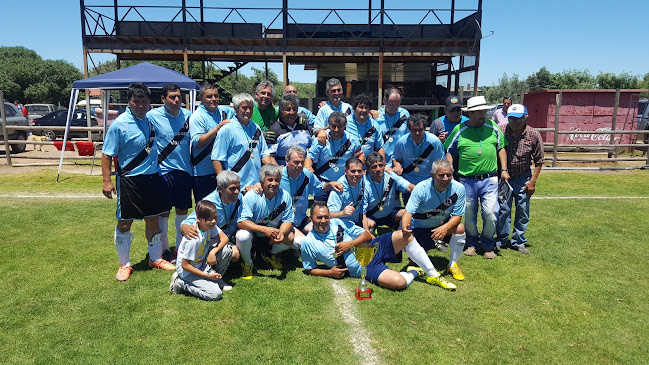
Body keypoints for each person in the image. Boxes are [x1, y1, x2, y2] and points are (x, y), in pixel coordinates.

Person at [101, 82, 174, 281]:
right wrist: (107, 181)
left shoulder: (150, 120)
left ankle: (156, 258)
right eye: (136, 101)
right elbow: (107, 154)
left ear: (150, 102)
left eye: (144, 101)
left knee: (153, 220)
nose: (141, 105)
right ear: (129, 101)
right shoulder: (119, 124)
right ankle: (125, 264)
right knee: (125, 223)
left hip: (152, 179)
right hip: (130, 181)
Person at [301, 202, 456, 291]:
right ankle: (415, 271)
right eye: (319, 217)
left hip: (374, 246)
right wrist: (330, 272)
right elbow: (309, 268)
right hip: (367, 267)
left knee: (405, 235)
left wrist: (350, 244)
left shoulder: (339, 222)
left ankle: (433, 274)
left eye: (326, 217)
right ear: (311, 218)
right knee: (399, 283)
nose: (323, 221)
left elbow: (368, 235)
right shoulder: (308, 242)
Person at [444, 95, 509, 259]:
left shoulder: (493, 126)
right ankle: (472, 243)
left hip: (490, 179)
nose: (483, 115)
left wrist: (504, 169)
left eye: (484, 111)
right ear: (471, 113)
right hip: (467, 181)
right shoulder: (459, 129)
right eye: (479, 112)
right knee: (468, 213)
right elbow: (449, 151)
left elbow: (501, 148)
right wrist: (449, 171)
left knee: (491, 213)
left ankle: (488, 244)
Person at [148, 83, 193, 261]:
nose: (176, 100)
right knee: (163, 213)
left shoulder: (189, 116)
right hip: (163, 171)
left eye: (179, 97)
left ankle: (180, 248)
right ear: (163, 99)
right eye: (172, 97)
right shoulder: (152, 116)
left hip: (185, 171)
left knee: (182, 212)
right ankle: (165, 249)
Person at [401, 159, 467, 280]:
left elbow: (458, 216)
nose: (446, 179)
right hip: (420, 228)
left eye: (449, 175)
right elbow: (408, 212)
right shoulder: (421, 188)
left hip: (442, 226)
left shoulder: (459, 188)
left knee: (460, 228)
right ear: (432, 175)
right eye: (441, 175)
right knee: (414, 263)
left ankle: (453, 264)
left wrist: (445, 228)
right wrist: (405, 227)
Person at [237, 164, 304, 278]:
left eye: (277, 180)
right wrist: (264, 230)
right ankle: (248, 263)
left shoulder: (285, 195)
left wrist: (281, 233)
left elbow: (288, 221)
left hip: (272, 236)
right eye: (270, 180)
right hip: (254, 234)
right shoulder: (251, 196)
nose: (274, 183)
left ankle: (268, 254)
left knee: (295, 239)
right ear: (262, 181)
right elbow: (241, 222)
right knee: (242, 236)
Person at [496, 104, 544, 254]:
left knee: (522, 210)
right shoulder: (501, 131)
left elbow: (539, 160)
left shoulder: (534, 135)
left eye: (518, 119)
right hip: (504, 177)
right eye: (511, 118)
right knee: (504, 209)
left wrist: (532, 182)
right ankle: (501, 239)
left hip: (523, 177)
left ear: (525, 118)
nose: (514, 122)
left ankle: (518, 240)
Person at [169, 200, 233, 301]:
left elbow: (224, 238)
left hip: (201, 264)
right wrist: (207, 275)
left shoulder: (209, 226)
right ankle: (180, 282)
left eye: (215, 217)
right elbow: (185, 265)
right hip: (187, 272)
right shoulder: (194, 239)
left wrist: (213, 252)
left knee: (227, 250)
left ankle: (215, 278)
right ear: (198, 219)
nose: (213, 221)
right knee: (216, 294)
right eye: (209, 219)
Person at [211, 93, 276, 192]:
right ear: (235, 109)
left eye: (250, 108)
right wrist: (224, 184)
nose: (248, 111)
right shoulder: (227, 129)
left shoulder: (256, 128)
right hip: (235, 187)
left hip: (256, 186)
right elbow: (216, 158)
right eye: (244, 108)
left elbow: (265, 154)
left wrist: (272, 173)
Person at [179, 170, 243, 268]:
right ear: (220, 188)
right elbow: (187, 223)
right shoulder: (210, 203)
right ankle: (209, 271)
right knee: (234, 253)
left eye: (238, 188)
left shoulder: (240, 197)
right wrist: (185, 227)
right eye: (232, 189)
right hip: (211, 240)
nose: (237, 192)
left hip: (226, 237)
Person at [188, 83, 234, 202]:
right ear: (201, 98)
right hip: (203, 172)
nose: (213, 99)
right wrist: (217, 129)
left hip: (222, 170)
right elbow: (197, 143)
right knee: (205, 211)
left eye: (216, 96)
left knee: (224, 207)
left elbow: (242, 110)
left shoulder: (224, 112)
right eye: (209, 96)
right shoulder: (197, 117)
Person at [281, 146, 343, 233]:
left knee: (327, 229)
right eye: (296, 162)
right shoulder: (278, 176)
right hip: (283, 222)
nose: (299, 165)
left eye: (302, 162)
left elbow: (319, 188)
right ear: (287, 161)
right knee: (299, 241)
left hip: (302, 220)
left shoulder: (306, 174)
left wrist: (331, 184)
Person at [305, 111, 363, 196]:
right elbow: (309, 158)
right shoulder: (321, 140)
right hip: (324, 183)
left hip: (344, 183)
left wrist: (357, 171)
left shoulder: (352, 140)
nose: (336, 129)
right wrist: (308, 167)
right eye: (333, 126)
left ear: (345, 126)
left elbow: (360, 155)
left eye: (340, 126)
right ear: (329, 126)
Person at [392, 114, 446, 189]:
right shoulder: (401, 142)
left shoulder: (434, 142)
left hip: (429, 182)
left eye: (420, 130)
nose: (417, 133)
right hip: (409, 183)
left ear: (424, 129)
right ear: (409, 129)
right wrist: (397, 166)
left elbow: (441, 163)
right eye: (414, 130)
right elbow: (396, 159)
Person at [364, 152, 414, 230]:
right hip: (371, 217)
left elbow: (410, 187)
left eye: (381, 165)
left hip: (390, 214)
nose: (378, 169)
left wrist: (423, 193)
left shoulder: (391, 176)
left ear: (385, 166)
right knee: (367, 223)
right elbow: (362, 212)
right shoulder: (364, 183)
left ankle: (401, 234)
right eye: (374, 167)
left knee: (408, 213)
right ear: (368, 169)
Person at [269, 93, 312, 165]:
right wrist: (278, 169)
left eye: (294, 109)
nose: (292, 112)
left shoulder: (304, 126)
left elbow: (313, 148)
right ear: (280, 111)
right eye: (288, 110)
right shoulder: (274, 130)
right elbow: (270, 157)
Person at [327, 157, 368, 228]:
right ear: (345, 171)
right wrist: (342, 213)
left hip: (357, 220)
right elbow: (329, 214)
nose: (357, 174)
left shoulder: (362, 180)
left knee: (370, 225)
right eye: (353, 171)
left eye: (359, 171)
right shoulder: (339, 188)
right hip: (341, 224)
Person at [377, 87, 410, 167]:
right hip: (383, 161)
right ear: (384, 101)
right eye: (391, 104)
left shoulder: (405, 115)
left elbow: (408, 137)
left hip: (400, 161)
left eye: (397, 104)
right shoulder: (377, 116)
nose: (394, 107)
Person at [345, 93, 385, 159]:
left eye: (366, 108)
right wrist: (321, 131)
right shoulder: (345, 123)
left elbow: (379, 148)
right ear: (354, 109)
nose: (364, 110)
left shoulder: (374, 125)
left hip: (368, 166)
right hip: (350, 166)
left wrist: (383, 165)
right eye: (361, 107)